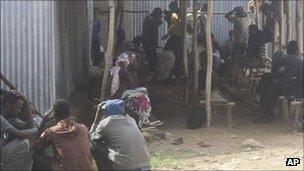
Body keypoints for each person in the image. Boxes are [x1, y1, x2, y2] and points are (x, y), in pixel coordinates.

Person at [32, 99, 94, 171]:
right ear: (69, 113)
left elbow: (34, 147)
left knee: (35, 155)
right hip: (87, 168)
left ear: (54, 115)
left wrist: (43, 122)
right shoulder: (83, 128)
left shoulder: (51, 132)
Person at [89, 99, 150, 170]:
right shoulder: (131, 120)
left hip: (126, 167)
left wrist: (97, 115)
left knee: (93, 144)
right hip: (145, 165)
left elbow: (92, 137)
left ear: (109, 110)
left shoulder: (106, 122)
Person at [256, 42, 303, 123]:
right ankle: (266, 111)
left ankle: (268, 115)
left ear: (288, 50)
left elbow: (278, 66)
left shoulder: (288, 58)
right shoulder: (299, 61)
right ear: (297, 50)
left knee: (270, 88)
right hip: (298, 88)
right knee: (271, 84)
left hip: (290, 88)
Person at [1, 91, 37, 171]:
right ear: (8, 105)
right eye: (17, 107)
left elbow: (29, 127)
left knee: (32, 145)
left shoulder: (10, 117)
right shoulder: (2, 117)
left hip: (3, 151)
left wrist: (27, 103)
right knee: (24, 143)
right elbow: (21, 134)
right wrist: (37, 129)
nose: (19, 111)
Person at [142, 7, 163, 73]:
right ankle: (152, 71)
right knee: (151, 57)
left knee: (152, 57)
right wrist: (160, 18)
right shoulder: (149, 18)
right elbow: (159, 22)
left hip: (150, 41)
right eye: (159, 14)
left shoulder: (150, 18)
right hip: (148, 41)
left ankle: (152, 71)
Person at [162, 13, 183, 77]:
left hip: (176, 41)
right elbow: (169, 33)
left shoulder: (178, 25)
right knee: (175, 57)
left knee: (176, 57)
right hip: (174, 41)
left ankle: (175, 72)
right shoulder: (174, 25)